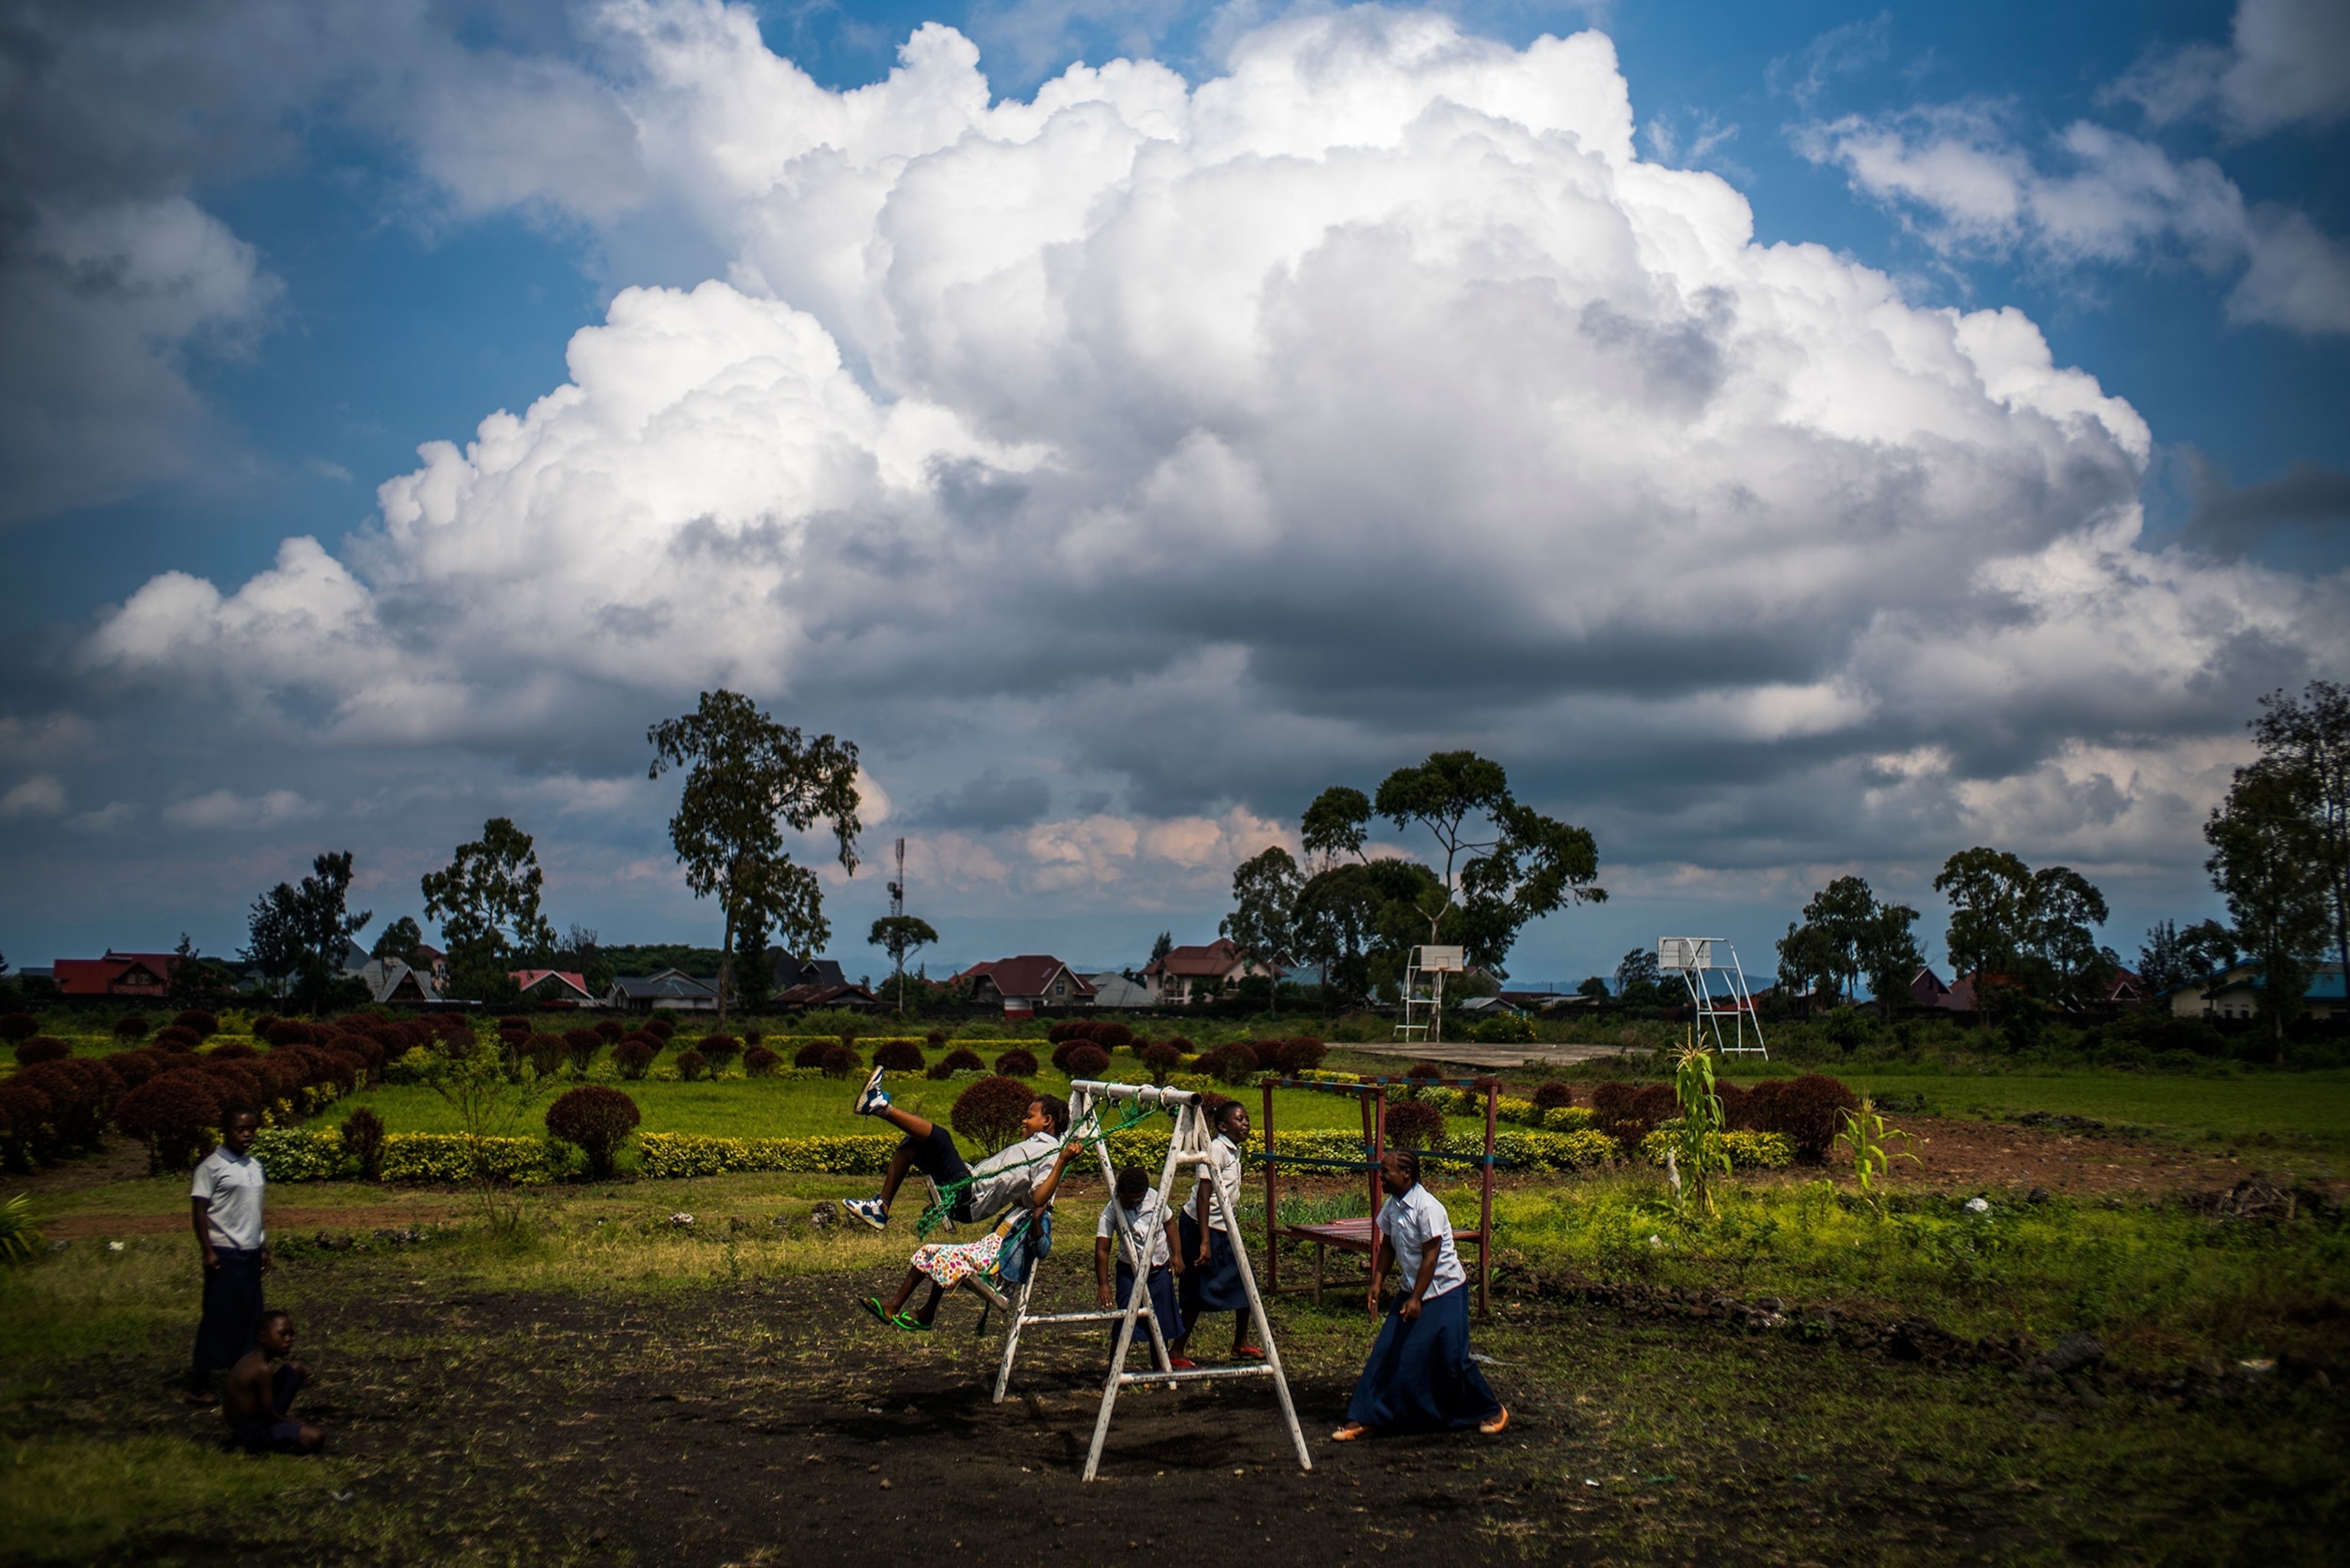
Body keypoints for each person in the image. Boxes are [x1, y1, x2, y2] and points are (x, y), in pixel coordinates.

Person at [1332, 1150, 1508, 1440]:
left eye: (1386, 1172)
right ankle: (1367, 1417)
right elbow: (1388, 1245)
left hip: (1445, 1291)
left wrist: (1416, 1299)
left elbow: (1431, 1256)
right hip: (1412, 1289)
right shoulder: (1392, 1206)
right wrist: (1377, 1281)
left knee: (1451, 1358)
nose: (1381, 1176)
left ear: (1407, 1175)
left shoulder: (1427, 1208)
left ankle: (1492, 1410)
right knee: (1387, 1351)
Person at [862, 1134, 1084, 1330]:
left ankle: (921, 1311)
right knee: (929, 1251)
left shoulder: (1039, 1217)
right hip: (985, 1250)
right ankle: (898, 1307)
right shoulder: (1018, 1208)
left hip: (995, 1264)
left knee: (946, 1257)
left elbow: (1043, 1250)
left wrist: (1036, 1220)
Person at [842, 1069, 1068, 1233]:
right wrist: (1013, 1191)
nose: (1024, 1120)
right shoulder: (1038, 1147)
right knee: (912, 1144)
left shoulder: (1051, 1153)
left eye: (1030, 1116)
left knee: (941, 1137)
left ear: (1047, 1121)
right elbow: (1026, 1196)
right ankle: (880, 1208)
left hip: (970, 1198)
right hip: (968, 1189)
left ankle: (879, 1107)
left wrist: (1062, 1161)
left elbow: (1039, 1197)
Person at [187, 1107, 269, 1404]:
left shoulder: (254, 1165)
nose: (247, 1135)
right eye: (240, 1129)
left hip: (250, 1251)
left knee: (250, 1315)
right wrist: (207, 1250)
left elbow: (255, 1211)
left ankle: (243, 1376)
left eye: (252, 1129)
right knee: (219, 1315)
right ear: (226, 1130)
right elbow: (199, 1212)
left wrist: (262, 1246)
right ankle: (200, 1383)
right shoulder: (211, 1167)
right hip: (224, 1251)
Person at [1171, 1098, 1259, 1365]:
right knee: (1198, 1288)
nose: (1245, 1124)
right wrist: (1205, 1242)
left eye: (1246, 1119)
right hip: (1200, 1227)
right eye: (1239, 1119)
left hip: (1223, 1227)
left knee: (1246, 1281)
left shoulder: (1233, 1151)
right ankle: (1176, 1351)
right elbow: (1203, 1196)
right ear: (1222, 1126)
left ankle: (1240, 1343)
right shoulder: (1215, 1150)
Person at [1095, 1165, 1183, 1360]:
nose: (1132, 1204)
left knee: (1161, 1323)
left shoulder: (1155, 1199)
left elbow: (1169, 1223)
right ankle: (1114, 1369)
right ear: (1119, 1193)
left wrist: (1176, 1255)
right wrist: (1103, 1284)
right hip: (1130, 1273)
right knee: (1125, 1321)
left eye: (1137, 1200)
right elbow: (1102, 1248)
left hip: (1159, 1271)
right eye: (1128, 1200)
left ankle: (1160, 1367)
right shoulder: (1112, 1210)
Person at [222, 1309, 324, 1454]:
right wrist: (289, 1422)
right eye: (282, 1335)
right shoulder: (262, 1369)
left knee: (295, 1370)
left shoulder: (252, 1359)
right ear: (262, 1337)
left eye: (291, 1335)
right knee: (315, 1437)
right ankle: (263, 1443)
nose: (288, 1340)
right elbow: (268, 1415)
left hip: (252, 1421)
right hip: (250, 1430)